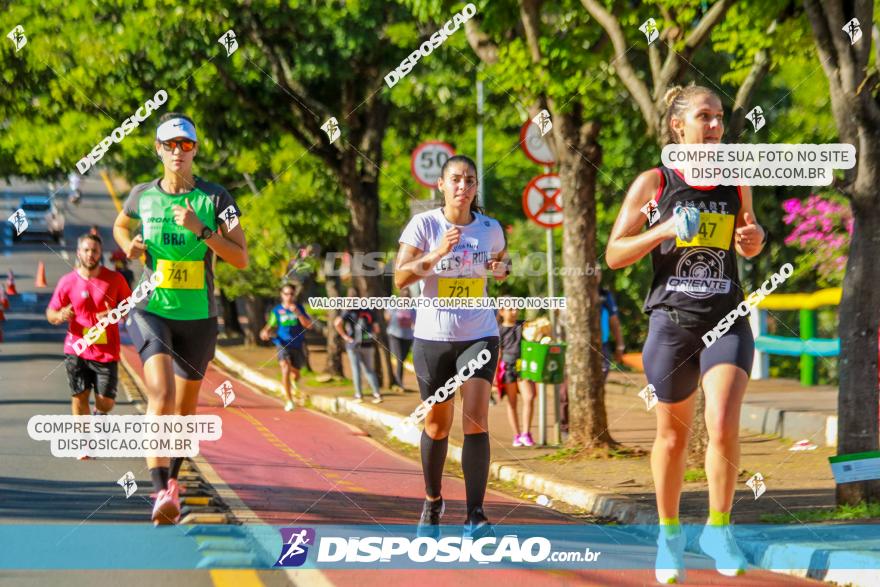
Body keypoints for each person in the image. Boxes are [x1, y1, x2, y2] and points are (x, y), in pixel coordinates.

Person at [606, 84, 766, 584]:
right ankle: (670, 534)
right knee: (672, 437)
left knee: (721, 423)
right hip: (671, 323)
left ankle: (719, 528)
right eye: (705, 117)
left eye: (719, 117)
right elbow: (613, 253)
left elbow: (750, 238)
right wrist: (663, 229)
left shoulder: (735, 178)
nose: (716, 126)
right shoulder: (653, 183)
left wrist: (754, 239)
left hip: (726, 318)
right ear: (679, 126)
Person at [112, 112, 248, 526]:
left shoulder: (218, 198)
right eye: (169, 145)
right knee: (162, 397)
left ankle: (172, 482)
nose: (177, 152)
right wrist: (130, 246)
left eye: (185, 145)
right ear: (158, 150)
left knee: (185, 413)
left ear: (195, 150)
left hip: (199, 316)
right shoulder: (142, 196)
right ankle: (159, 491)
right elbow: (120, 224)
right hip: (153, 309)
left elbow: (241, 257)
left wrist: (202, 230)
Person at [394, 154, 508, 539]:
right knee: (437, 426)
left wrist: (500, 269)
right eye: (456, 179)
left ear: (476, 187)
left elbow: (500, 263)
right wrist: (437, 252)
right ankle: (432, 500)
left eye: (470, 180)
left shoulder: (490, 228)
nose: (463, 186)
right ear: (441, 185)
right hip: (433, 339)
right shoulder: (424, 225)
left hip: (479, 333)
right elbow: (399, 277)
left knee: (476, 417)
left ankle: (475, 513)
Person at [46, 233, 132, 458]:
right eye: (86, 250)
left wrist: (115, 313)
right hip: (76, 348)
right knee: (79, 395)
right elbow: (51, 313)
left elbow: (128, 305)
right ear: (78, 253)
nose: (90, 255)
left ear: (99, 254)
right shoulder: (67, 282)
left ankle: (99, 413)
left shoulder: (115, 280)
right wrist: (60, 314)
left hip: (106, 351)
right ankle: (83, 443)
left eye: (94, 251)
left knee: (106, 402)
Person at [260, 283, 313, 411]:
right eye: (286, 294)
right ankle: (289, 400)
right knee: (285, 367)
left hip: (297, 344)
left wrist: (299, 313)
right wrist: (265, 331)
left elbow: (309, 325)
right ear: (281, 295)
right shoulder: (277, 311)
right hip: (282, 343)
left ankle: (294, 380)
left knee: (296, 373)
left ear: (294, 295)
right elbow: (271, 325)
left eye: (291, 294)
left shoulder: (299, 308)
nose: (288, 296)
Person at [334, 287, 383, 404]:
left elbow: (337, 323)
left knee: (356, 370)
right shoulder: (368, 309)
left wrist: (345, 336)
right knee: (370, 370)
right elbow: (377, 328)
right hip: (368, 344)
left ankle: (359, 395)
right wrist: (373, 336)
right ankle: (377, 394)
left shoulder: (349, 310)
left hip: (353, 344)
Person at [497, 306, 536, 447]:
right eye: (510, 309)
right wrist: (495, 376)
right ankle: (517, 435)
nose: (514, 311)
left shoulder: (524, 325)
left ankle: (526, 433)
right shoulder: (498, 330)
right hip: (507, 368)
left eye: (516, 308)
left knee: (529, 397)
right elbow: (498, 354)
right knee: (512, 402)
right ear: (501, 311)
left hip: (523, 367)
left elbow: (535, 336)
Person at [385, 288, 416, 393]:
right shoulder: (394, 305)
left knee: (401, 359)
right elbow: (387, 317)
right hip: (395, 335)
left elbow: (415, 322)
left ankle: (397, 382)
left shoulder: (412, 307)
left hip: (407, 337)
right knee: (399, 359)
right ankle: (398, 383)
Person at [597, 267, 625, 381]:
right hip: (579, 345)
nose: (596, 274)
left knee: (600, 381)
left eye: (598, 271)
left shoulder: (605, 295)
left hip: (602, 345)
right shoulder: (574, 294)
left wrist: (620, 345)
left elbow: (614, 321)